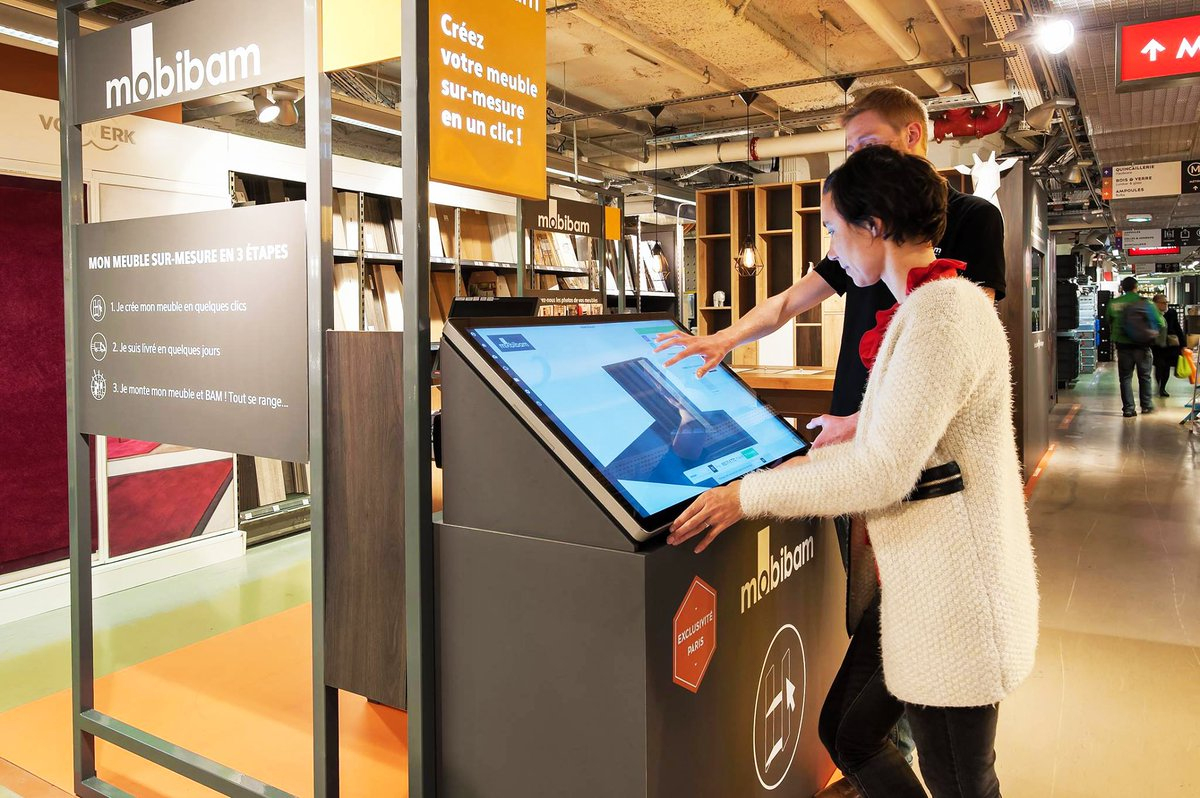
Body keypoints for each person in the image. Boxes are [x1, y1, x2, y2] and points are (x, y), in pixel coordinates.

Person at [666, 146, 1039, 798]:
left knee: (958, 780)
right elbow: (901, 442)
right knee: (850, 732)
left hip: (957, 597)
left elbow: (882, 472)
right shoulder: (926, 309)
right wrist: (826, 449)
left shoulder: (943, 315)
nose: (832, 250)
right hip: (923, 585)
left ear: (875, 226)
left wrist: (745, 495)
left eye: (835, 230)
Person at [1107, 277, 1165, 417]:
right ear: (1136, 287)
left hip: (1122, 345)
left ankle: (1128, 408)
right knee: (1144, 376)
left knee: (1125, 378)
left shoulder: (1113, 303)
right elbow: (1160, 323)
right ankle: (1146, 406)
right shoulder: (1146, 303)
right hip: (1142, 345)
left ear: (1122, 288)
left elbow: (1108, 321)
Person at [1151, 293, 1185, 398]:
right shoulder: (1152, 314)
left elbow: (1177, 328)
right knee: (1159, 365)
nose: (1165, 304)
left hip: (1170, 345)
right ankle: (1159, 385)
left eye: (1166, 302)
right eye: (1162, 303)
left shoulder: (1171, 313)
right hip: (1157, 345)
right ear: (1155, 303)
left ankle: (1163, 388)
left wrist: (1183, 344)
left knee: (1166, 367)